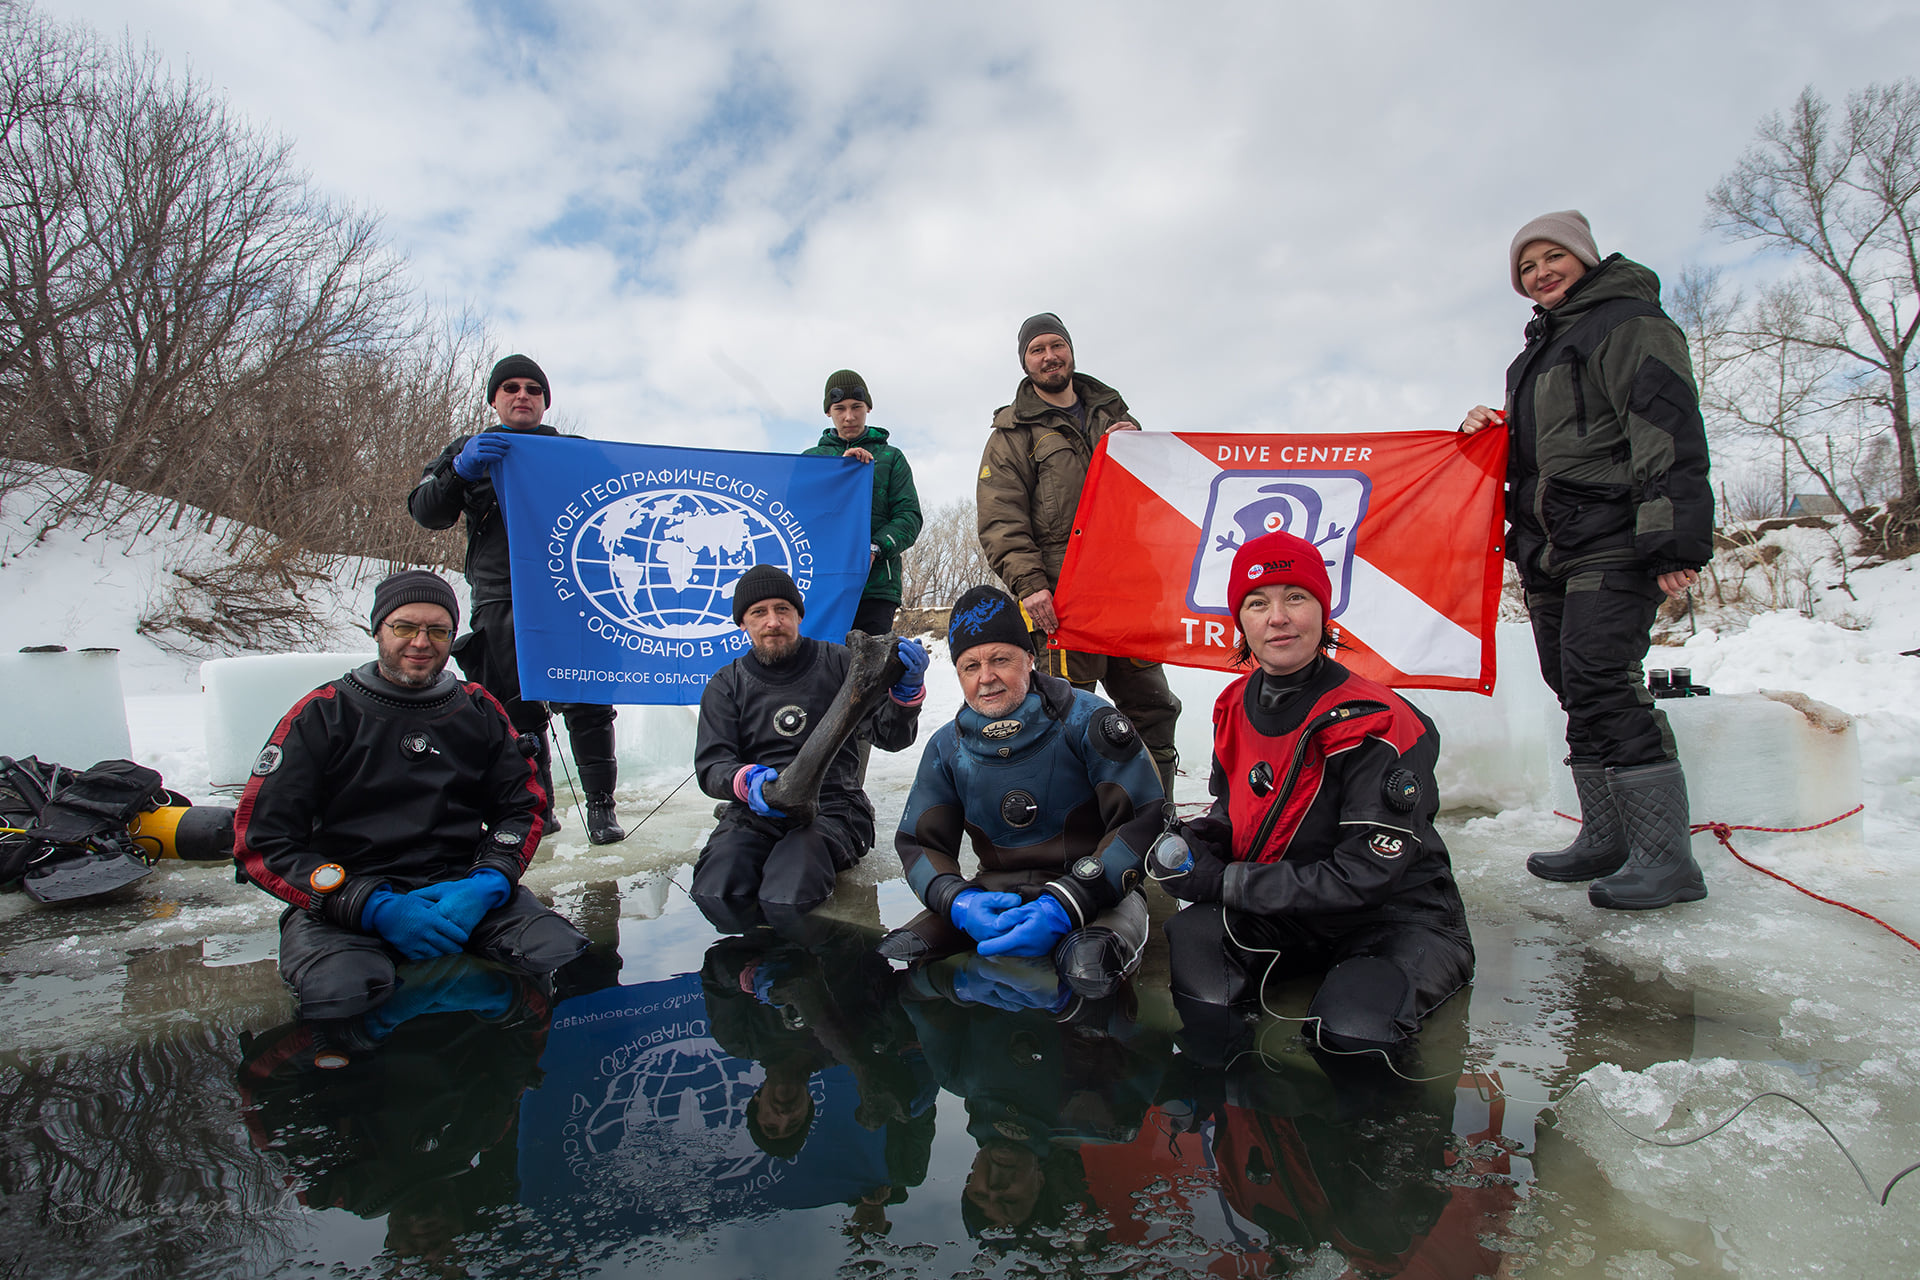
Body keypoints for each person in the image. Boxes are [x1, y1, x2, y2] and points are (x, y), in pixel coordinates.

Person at [1460, 211, 1713, 910]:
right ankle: (1606, 839)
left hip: (1612, 532)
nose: (1540, 274)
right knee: (1572, 684)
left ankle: (1668, 860)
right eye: (1526, 268)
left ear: (1583, 257)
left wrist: (1673, 539)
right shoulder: (1535, 353)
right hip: (1549, 545)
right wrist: (1489, 432)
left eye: (1551, 258)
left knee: (1604, 678)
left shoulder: (1629, 322)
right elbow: (1547, 448)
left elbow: (1665, 425)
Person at [1158, 532, 1474, 1062]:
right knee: (1195, 941)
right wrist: (1190, 844)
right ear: (1241, 622)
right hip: (1291, 912)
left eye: (1295, 598)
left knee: (1353, 1029)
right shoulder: (1233, 704)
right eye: (1257, 603)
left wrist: (1228, 880)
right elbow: (1234, 811)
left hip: (1394, 918)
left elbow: (1366, 875)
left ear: (1323, 612)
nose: (1276, 617)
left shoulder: (1381, 723)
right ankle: (1228, 1089)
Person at [233, 570, 588, 1020]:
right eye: (405, 627)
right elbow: (262, 842)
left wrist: (489, 882)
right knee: (340, 994)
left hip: (462, 888)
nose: (421, 642)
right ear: (378, 629)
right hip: (346, 901)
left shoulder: (477, 709)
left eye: (437, 630)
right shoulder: (322, 715)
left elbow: (522, 807)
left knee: (559, 950)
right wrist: (371, 906)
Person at [879, 585, 1164, 1000]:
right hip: (995, 894)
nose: (986, 677)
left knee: (1090, 969)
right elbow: (919, 843)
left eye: (1000, 659)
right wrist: (958, 901)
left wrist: (1067, 902)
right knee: (900, 954)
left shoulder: (1089, 720)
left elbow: (1144, 819)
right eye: (970, 666)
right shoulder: (947, 747)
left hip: (1098, 893)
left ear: (1030, 658)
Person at [408, 354, 625, 845]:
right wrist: (460, 471)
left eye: (532, 388)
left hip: (572, 593)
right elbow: (426, 512)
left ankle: (601, 808)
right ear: (494, 400)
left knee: (588, 702)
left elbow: (627, 491)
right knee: (514, 711)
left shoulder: (574, 451)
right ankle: (538, 807)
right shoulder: (468, 451)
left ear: (545, 402)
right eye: (510, 387)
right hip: (499, 596)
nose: (522, 394)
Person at [976, 313, 1182, 800]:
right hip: (1063, 600)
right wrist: (1031, 587)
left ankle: (1157, 813)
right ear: (1025, 362)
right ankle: (1069, 825)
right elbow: (1000, 519)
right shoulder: (1012, 433)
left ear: (1070, 351)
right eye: (1037, 350)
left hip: (1129, 597)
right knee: (1066, 715)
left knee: (1152, 708)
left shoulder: (1114, 418)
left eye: (1057, 345)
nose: (1049, 356)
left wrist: (1145, 453)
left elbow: (1157, 505)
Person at [691, 564, 927, 931]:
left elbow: (891, 737)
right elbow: (712, 766)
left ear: (799, 615)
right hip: (758, 807)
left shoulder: (844, 664)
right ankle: (744, 969)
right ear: (743, 624)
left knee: (792, 881)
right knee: (719, 883)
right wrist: (746, 781)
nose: (773, 621)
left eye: (782, 609)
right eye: (759, 613)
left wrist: (905, 697)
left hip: (834, 806)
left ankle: (795, 973)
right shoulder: (726, 684)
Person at [802, 370, 923, 636]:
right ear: (828, 412)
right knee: (824, 667)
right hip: (823, 584)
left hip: (877, 587)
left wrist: (875, 548)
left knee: (871, 669)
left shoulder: (892, 458)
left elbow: (909, 517)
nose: (849, 416)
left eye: (857, 407)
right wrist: (841, 471)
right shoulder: (811, 460)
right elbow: (798, 518)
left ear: (868, 407)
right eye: (840, 408)